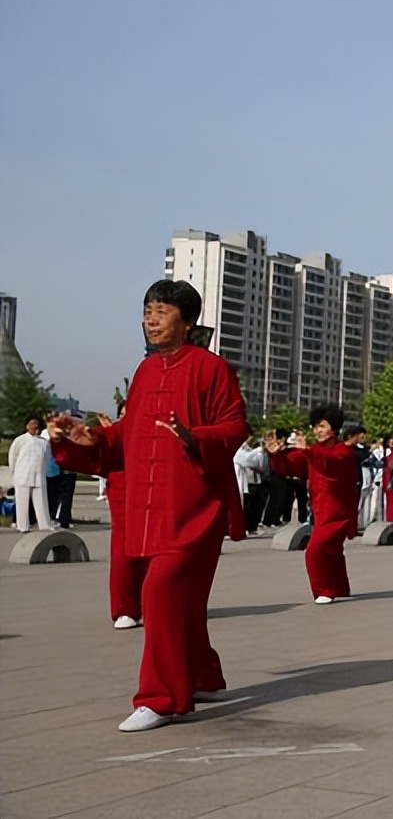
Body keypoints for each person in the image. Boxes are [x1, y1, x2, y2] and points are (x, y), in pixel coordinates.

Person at [47, 279, 248, 732]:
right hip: (150, 507)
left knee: (160, 592)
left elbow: (235, 427)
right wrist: (89, 437)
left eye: (161, 312)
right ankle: (203, 676)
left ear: (187, 322)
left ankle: (162, 698)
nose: (150, 320)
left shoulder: (212, 369)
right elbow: (127, 435)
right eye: (147, 311)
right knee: (182, 602)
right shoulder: (144, 372)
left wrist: (195, 437)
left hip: (195, 509)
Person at [267, 405, 360, 603]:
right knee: (332, 550)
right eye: (316, 426)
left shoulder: (343, 451)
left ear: (334, 428)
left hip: (339, 511)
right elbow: (292, 465)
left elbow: (331, 464)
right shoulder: (314, 450)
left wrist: (308, 452)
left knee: (315, 549)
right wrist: (276, 455)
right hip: (320, 509)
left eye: (322, 426)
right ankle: (340, 587)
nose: (317, 431)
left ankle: (325, 590)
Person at [97, 409, 147, 630]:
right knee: (124, 548)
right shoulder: (118, 431)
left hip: (153, 487)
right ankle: (125, 608)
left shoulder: (153, 425)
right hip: (124, 488)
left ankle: (152, 602)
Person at [7, 414, 54, 533]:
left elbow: (46, 459)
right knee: (22, 503)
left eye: (36, 424)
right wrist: (15, 473)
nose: (34, 426)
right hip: (23, 475)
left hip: (39, 476)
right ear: (27, 426)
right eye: (31, 424)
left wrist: (44, 473)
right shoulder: (20, 440)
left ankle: (44, 525)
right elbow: (13, 457)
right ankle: (22, 526)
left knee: (41, 502)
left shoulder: (43, 442)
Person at [233, 434, 269, 535]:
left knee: (255, 505)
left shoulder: (249, 450)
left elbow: (259, 463)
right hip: (244, 482)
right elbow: (248, 461)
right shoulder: (237, 450)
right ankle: (246, 527)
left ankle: (252, 527)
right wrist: (259, 450)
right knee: (247, 506)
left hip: (254, 480)